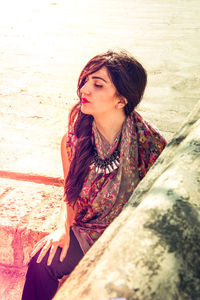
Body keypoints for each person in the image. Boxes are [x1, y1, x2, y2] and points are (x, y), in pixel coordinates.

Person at [22, 50, 167, 299]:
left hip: (128, 236)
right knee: (42, 260)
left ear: (121, 100)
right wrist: (63, 229)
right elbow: (70, 195)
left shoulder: (148, 142)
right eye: (85, 80)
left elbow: (159, 205)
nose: (85, 89)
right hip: (88, 230)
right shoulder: (73, 140)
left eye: (98, 84)